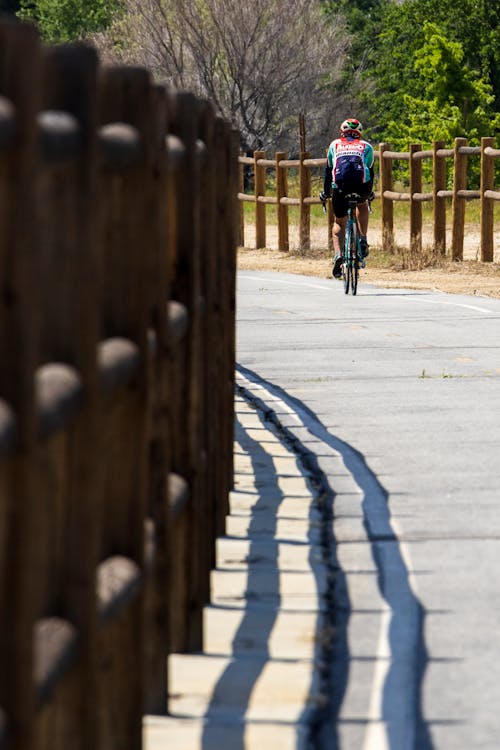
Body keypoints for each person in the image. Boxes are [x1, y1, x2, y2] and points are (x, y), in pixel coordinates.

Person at [319, 118, 374, 279]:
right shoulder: (367, 146)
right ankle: (363, 238)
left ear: (341, 132)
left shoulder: (334, 145)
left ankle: (338, 255)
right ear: (360, 133)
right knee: (362, 204)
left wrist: (326, 193)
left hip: (340, 188)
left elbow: (329, 172)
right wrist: (369, 192)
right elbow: (370, 173)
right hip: (361, 187)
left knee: (338, 222)